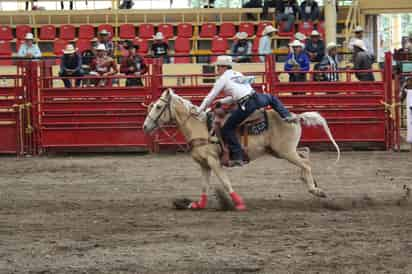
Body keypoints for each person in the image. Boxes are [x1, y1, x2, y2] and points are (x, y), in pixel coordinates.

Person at [198, 55, 297, 166]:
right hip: (257, 97)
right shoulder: (237, 74)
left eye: (218, 67)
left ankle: (238, 156)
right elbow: (240, 93)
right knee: (272, 98)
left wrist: (200, 110)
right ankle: (286, 116)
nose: (217, 69)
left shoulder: (222, 79)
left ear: (224, 67)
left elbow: (210, 96)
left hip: (247, 105)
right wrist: (223, 101)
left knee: (227, 128)